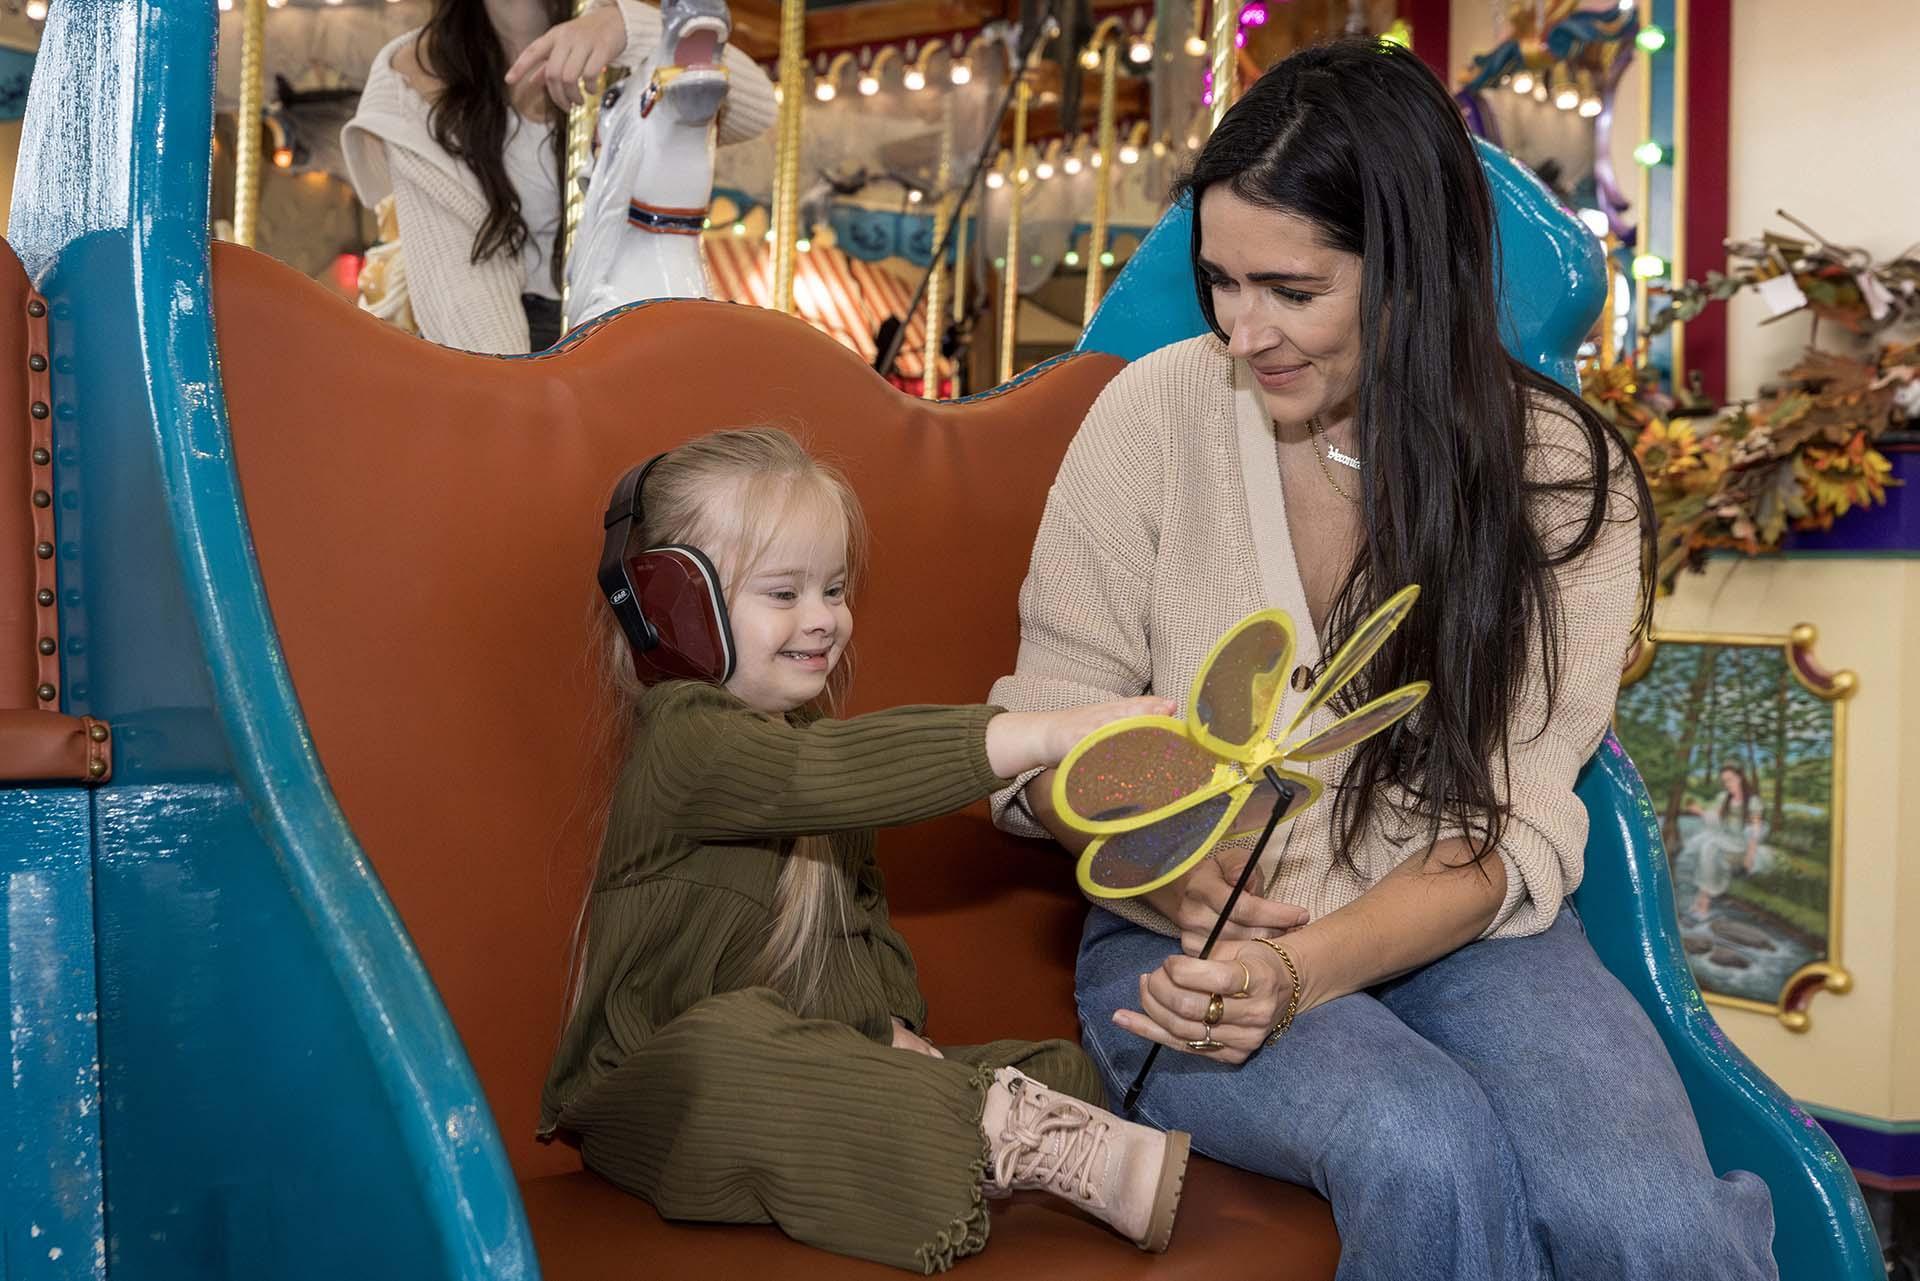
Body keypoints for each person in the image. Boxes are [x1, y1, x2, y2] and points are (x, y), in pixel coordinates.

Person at [987, 37, 1778, 1281]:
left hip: (1468, 935)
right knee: (1426, 1148)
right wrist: (1161, 866)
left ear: (1413, 272)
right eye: (1220, 283)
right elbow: (1040, 744)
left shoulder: (1557, 474)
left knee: (1660, 1228)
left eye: (1292, 291)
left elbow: (1504, 828)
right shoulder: (1150, 416)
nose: (1245, 332)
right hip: (1176, 954)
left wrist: (1298, 969)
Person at [539, 427, 1192, 1273]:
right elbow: (816, 774)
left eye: (836, 588)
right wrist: (1038, 734)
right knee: (729, 1044)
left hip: (808, 1058)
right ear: (673, 606)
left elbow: (854, 936)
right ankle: (961, 1131)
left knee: (1057, 1066)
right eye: (784, 592)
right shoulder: (686, 744)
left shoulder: (812, 751)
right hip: (656, 1090)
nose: (824, 618)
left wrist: (886, 1034)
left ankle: (958, 1127)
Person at [342, 0, 774, 354]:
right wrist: (533, 396)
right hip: (497, 347)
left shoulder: (615, 40)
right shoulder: (416, 77)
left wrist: (627, 27)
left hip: (623, 318)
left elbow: (758, 108)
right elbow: (468, 301)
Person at [1683, 762, 1766, 922]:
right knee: (1706, 847)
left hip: (1741, 842)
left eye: (1731, 779)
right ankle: (1702, 901)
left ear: (1740, 778)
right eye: (1725, 781)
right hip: (1725, 838)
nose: (1728, 784)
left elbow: (1754, 831)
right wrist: (1700, 811)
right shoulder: (1724, 798)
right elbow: (1714, 820)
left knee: (1709, 845)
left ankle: (1703, 903)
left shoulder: (1753, 801)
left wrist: (1749, 856)